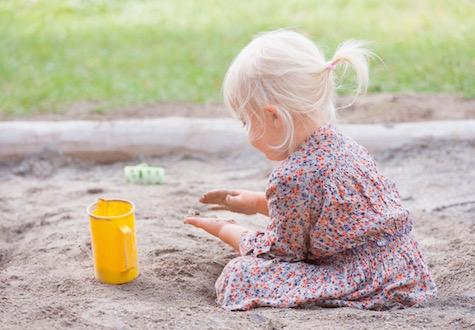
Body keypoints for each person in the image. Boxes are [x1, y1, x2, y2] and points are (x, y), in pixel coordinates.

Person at [184, 29, 436, 311]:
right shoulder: (342, 144)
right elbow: (330, 218)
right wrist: (257, 203)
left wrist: (228, 230)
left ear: (273, 116)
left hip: (371, 280)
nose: (247, 134)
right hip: (406, 269)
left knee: (240, 275)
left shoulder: (291, 176)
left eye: (246, 122)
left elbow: (282, 253)